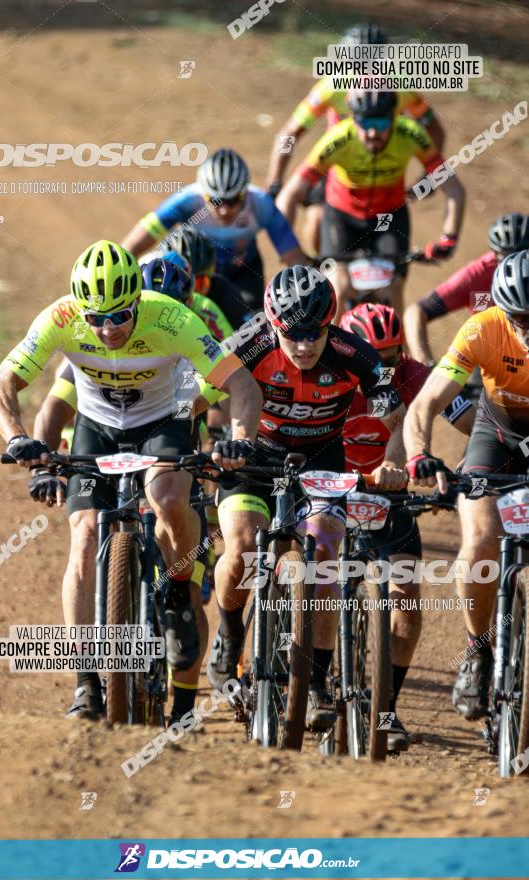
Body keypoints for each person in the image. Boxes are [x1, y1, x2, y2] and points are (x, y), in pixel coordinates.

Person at [0, 239, 262, 723]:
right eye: (96, 319)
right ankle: (87, 682)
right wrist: (18, 439)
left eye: (119, 316)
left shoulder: (173, 319)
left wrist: (238, 439)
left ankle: (178, 587)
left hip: (162, 421)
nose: (108, 329)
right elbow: (2, 384)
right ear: (80, 310)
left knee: (168, 497)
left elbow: (240, 383)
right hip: (97, 427)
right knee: (85, 536)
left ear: (138, 300)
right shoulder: (60, 317)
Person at [205, 265, 408, 731]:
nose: (303, 345)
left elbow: (396, 418)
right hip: (254, 458)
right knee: (240, 547)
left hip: (321, 459)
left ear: (330, 323)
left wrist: (393, 461)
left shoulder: (351, 353)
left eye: (313, 333)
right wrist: (208, 442)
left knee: (325, 554)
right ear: (273, 324)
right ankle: (231, 635)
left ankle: (315, 682)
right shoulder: (250, 343)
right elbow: (197, 395)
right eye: (292, 334)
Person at [340, 303, 474, 749]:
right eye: (374, 356)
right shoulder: (335, 372)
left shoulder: (415, 374)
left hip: (390, 496)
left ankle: (385, 710)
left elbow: (473, 423)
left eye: (393, 355)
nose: (385, 366)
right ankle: (306, 681)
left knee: (406, 606)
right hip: (332, 490)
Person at [403, 249, 529, 720]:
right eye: (519, 318)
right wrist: (419, 453)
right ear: (501, 310)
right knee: (479, 542)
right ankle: (478, 652)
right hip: (497, 436)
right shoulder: (482, 328)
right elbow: (425, 403)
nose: (528, 328)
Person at [277, 90, 465, 319]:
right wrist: (286, 246)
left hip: (389, 216)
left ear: (395, 117)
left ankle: (398, 353)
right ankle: (329, 352)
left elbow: (454, 189)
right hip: (342, 216)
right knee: (338, 287)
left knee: (392, 290)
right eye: (365, 122)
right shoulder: (338, 138)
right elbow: (290, 194)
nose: (373, 132)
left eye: (381, 121)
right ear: (352, 117)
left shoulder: (410, 134)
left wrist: (449, 237)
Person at [267, 23, 445, 254]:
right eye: (356, 65)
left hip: (382, 165)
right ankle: (320, 276)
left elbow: (435, 130)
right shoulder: (331, 87)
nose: (365, 73)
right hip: (338, 159)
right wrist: (275, 183)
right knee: (317, 222)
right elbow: (289, 135)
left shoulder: (401, 87)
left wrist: (430, 176)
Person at [122, 148, 307, 311]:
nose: (224, 209)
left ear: (246, 192)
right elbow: (132, 246)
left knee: (252, 327)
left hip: (242, 271)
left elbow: (295, 259)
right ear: (203, 193)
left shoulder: (262, 205)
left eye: (233, 200)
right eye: (215, 200)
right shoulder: (186, 201)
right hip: (194, 271)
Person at [404, 213, 529, 366]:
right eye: (507, 259)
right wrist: (425, 363)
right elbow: (416, 311)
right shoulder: (476, 275)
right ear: (494, 254)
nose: (517, 264)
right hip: (492, 355)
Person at [161, 228, 249, 329]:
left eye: (199, 284)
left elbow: (246, 328)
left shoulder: (223, 289)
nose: (191, 295)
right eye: (182, 284)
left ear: (212, 271)